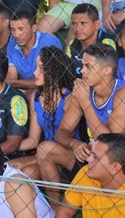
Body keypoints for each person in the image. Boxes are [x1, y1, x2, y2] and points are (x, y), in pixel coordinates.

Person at [43, 44, 125, 201]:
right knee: (45, 149)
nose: (82, 71)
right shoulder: (84, 91)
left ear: (106, 70)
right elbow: (62, 131)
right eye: (82, 65)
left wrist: (85, 102)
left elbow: (111, 144)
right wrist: (74, 143)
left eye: (88, 66)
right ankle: (53, 206)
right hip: (94, 158)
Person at [13, 46, 78, 181]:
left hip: (67, 155)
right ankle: (48, 202)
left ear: (53, 71)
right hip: (44, 153)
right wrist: (6, 146)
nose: (35, 73)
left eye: (40, 68)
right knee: (13, 167)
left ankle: (55, 202)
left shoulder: (69, 97)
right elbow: (32, 140)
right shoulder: (36, 98)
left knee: (36, 156)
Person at [6, 11, 62, 90]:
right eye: (13, 30)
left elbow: (49, 80)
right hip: (23, 90)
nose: (16, 35)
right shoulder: (12, 43)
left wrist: (15, 83)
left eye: (21, 29)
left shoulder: (50, 43)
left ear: (34, 28)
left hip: (49, 91)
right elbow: (11, 77)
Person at [65, 3, 116, 77]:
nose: (77, 28)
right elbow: (67, 72)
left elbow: (105, 76)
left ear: (97, 24)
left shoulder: (107, 42)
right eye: (74, 24)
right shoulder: (73, 44)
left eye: (83, 23)